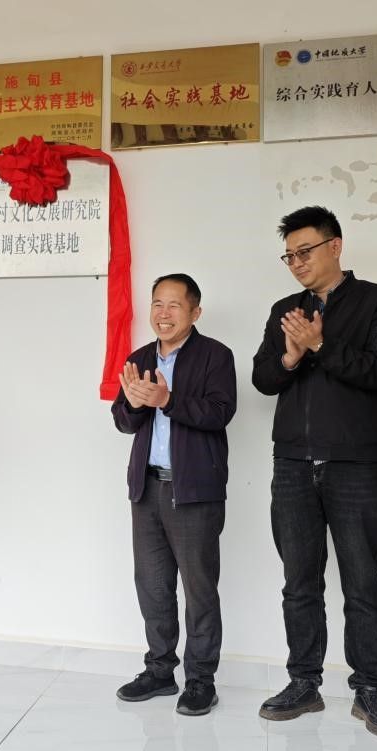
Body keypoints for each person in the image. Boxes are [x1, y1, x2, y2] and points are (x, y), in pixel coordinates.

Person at [251, 205, 377, 738]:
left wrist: (321, 346)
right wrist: (291, 357)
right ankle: (304, 683)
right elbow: (263, 378)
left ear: (335, 246)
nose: (297, 263)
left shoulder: (376, 301)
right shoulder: (284, 310)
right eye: (289, 255)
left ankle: (370, 690)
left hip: (355, 464)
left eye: (305, 252)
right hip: (292, 462)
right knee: (299, 582)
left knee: (363, 583)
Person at [112, 274, 237, 717]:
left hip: (194, 490)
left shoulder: (215, 356)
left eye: (174, 306)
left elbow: (220, 413)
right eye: (157, 304)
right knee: (152, 586)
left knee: (199, 589)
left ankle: (201, 680)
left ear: (195, 312)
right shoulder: (140, 358)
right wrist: (134, 403)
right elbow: (123, 421)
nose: (163, 314)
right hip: (146, 488)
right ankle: (160, 670)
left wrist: (168, 399)